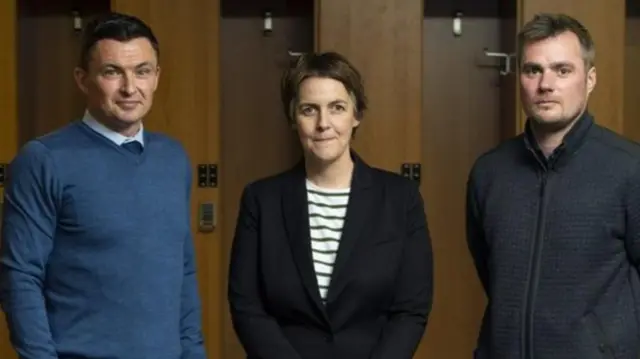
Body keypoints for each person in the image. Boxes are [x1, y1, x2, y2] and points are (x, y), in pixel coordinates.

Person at [0, 12, 206, 359]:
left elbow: (182, 272)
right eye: (112, 72)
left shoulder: (173, 159)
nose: (130, 88)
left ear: (156, 77)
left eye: (142, 71)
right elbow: (19, 277)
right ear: (83, 79)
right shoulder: (44, 160)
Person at [227, 51, 433, 359]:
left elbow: (411, 310)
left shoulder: (400, 199)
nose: (324, 123)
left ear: (356, 115)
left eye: (337, 108)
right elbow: (247, 306)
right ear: (293, 118)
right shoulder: (261, 200)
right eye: (310, 110)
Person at [466, 12, 640, 359]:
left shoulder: (630, 168)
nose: (545, 84)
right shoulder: (489, 172)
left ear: (590, 79)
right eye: (533, 70)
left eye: (562, 70)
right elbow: (491, 271)